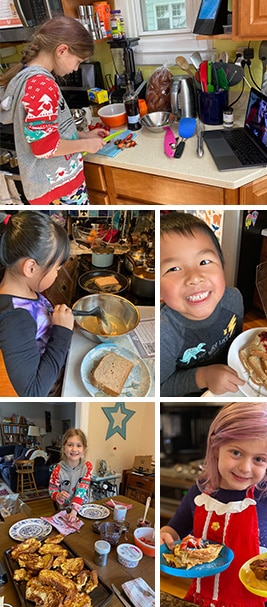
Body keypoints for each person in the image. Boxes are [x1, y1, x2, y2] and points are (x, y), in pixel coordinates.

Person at [160, 402, 267, 607]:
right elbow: (173, 530)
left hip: (266, 602)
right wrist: (164, 535)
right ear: (216, 447)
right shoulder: (199, 492)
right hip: (207, 600)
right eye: (236, 453)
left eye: (259, 459)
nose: (245, 468)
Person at [0, 16, 109, 205]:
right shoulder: (41, 85)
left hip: (55, 186)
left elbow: (48, 134)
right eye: (78, 62)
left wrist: (83, 136)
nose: (76, 69)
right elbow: (45, 147)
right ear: (62, 50)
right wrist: (86, 146)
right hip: (58, 190)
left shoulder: (29, 76)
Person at [159, 212, 244, 396]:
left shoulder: (234, 300)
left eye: (204, 261)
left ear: (222, 265)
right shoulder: (164, 334)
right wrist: (204, 377)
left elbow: (237, 345)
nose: (194, 277)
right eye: (173, 269)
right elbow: (160, 388)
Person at [0, 211, 73, 397]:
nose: (57, 274)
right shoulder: (14, 320)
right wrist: (62, 332)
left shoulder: (27, 290)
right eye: (56, 268)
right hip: (56, 389)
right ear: (31, 268)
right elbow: (34, 391)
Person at [49, 428, 92, 524]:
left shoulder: (87, 467)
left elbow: (81, 491)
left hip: (83, 508)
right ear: (64, 448)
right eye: (70, 445)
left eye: (79, 445)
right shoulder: (57, 470)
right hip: (65, 510)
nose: (74, 449)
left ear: (84, 450)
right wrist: (58, 496)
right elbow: (52, 490)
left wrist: (74, 511)